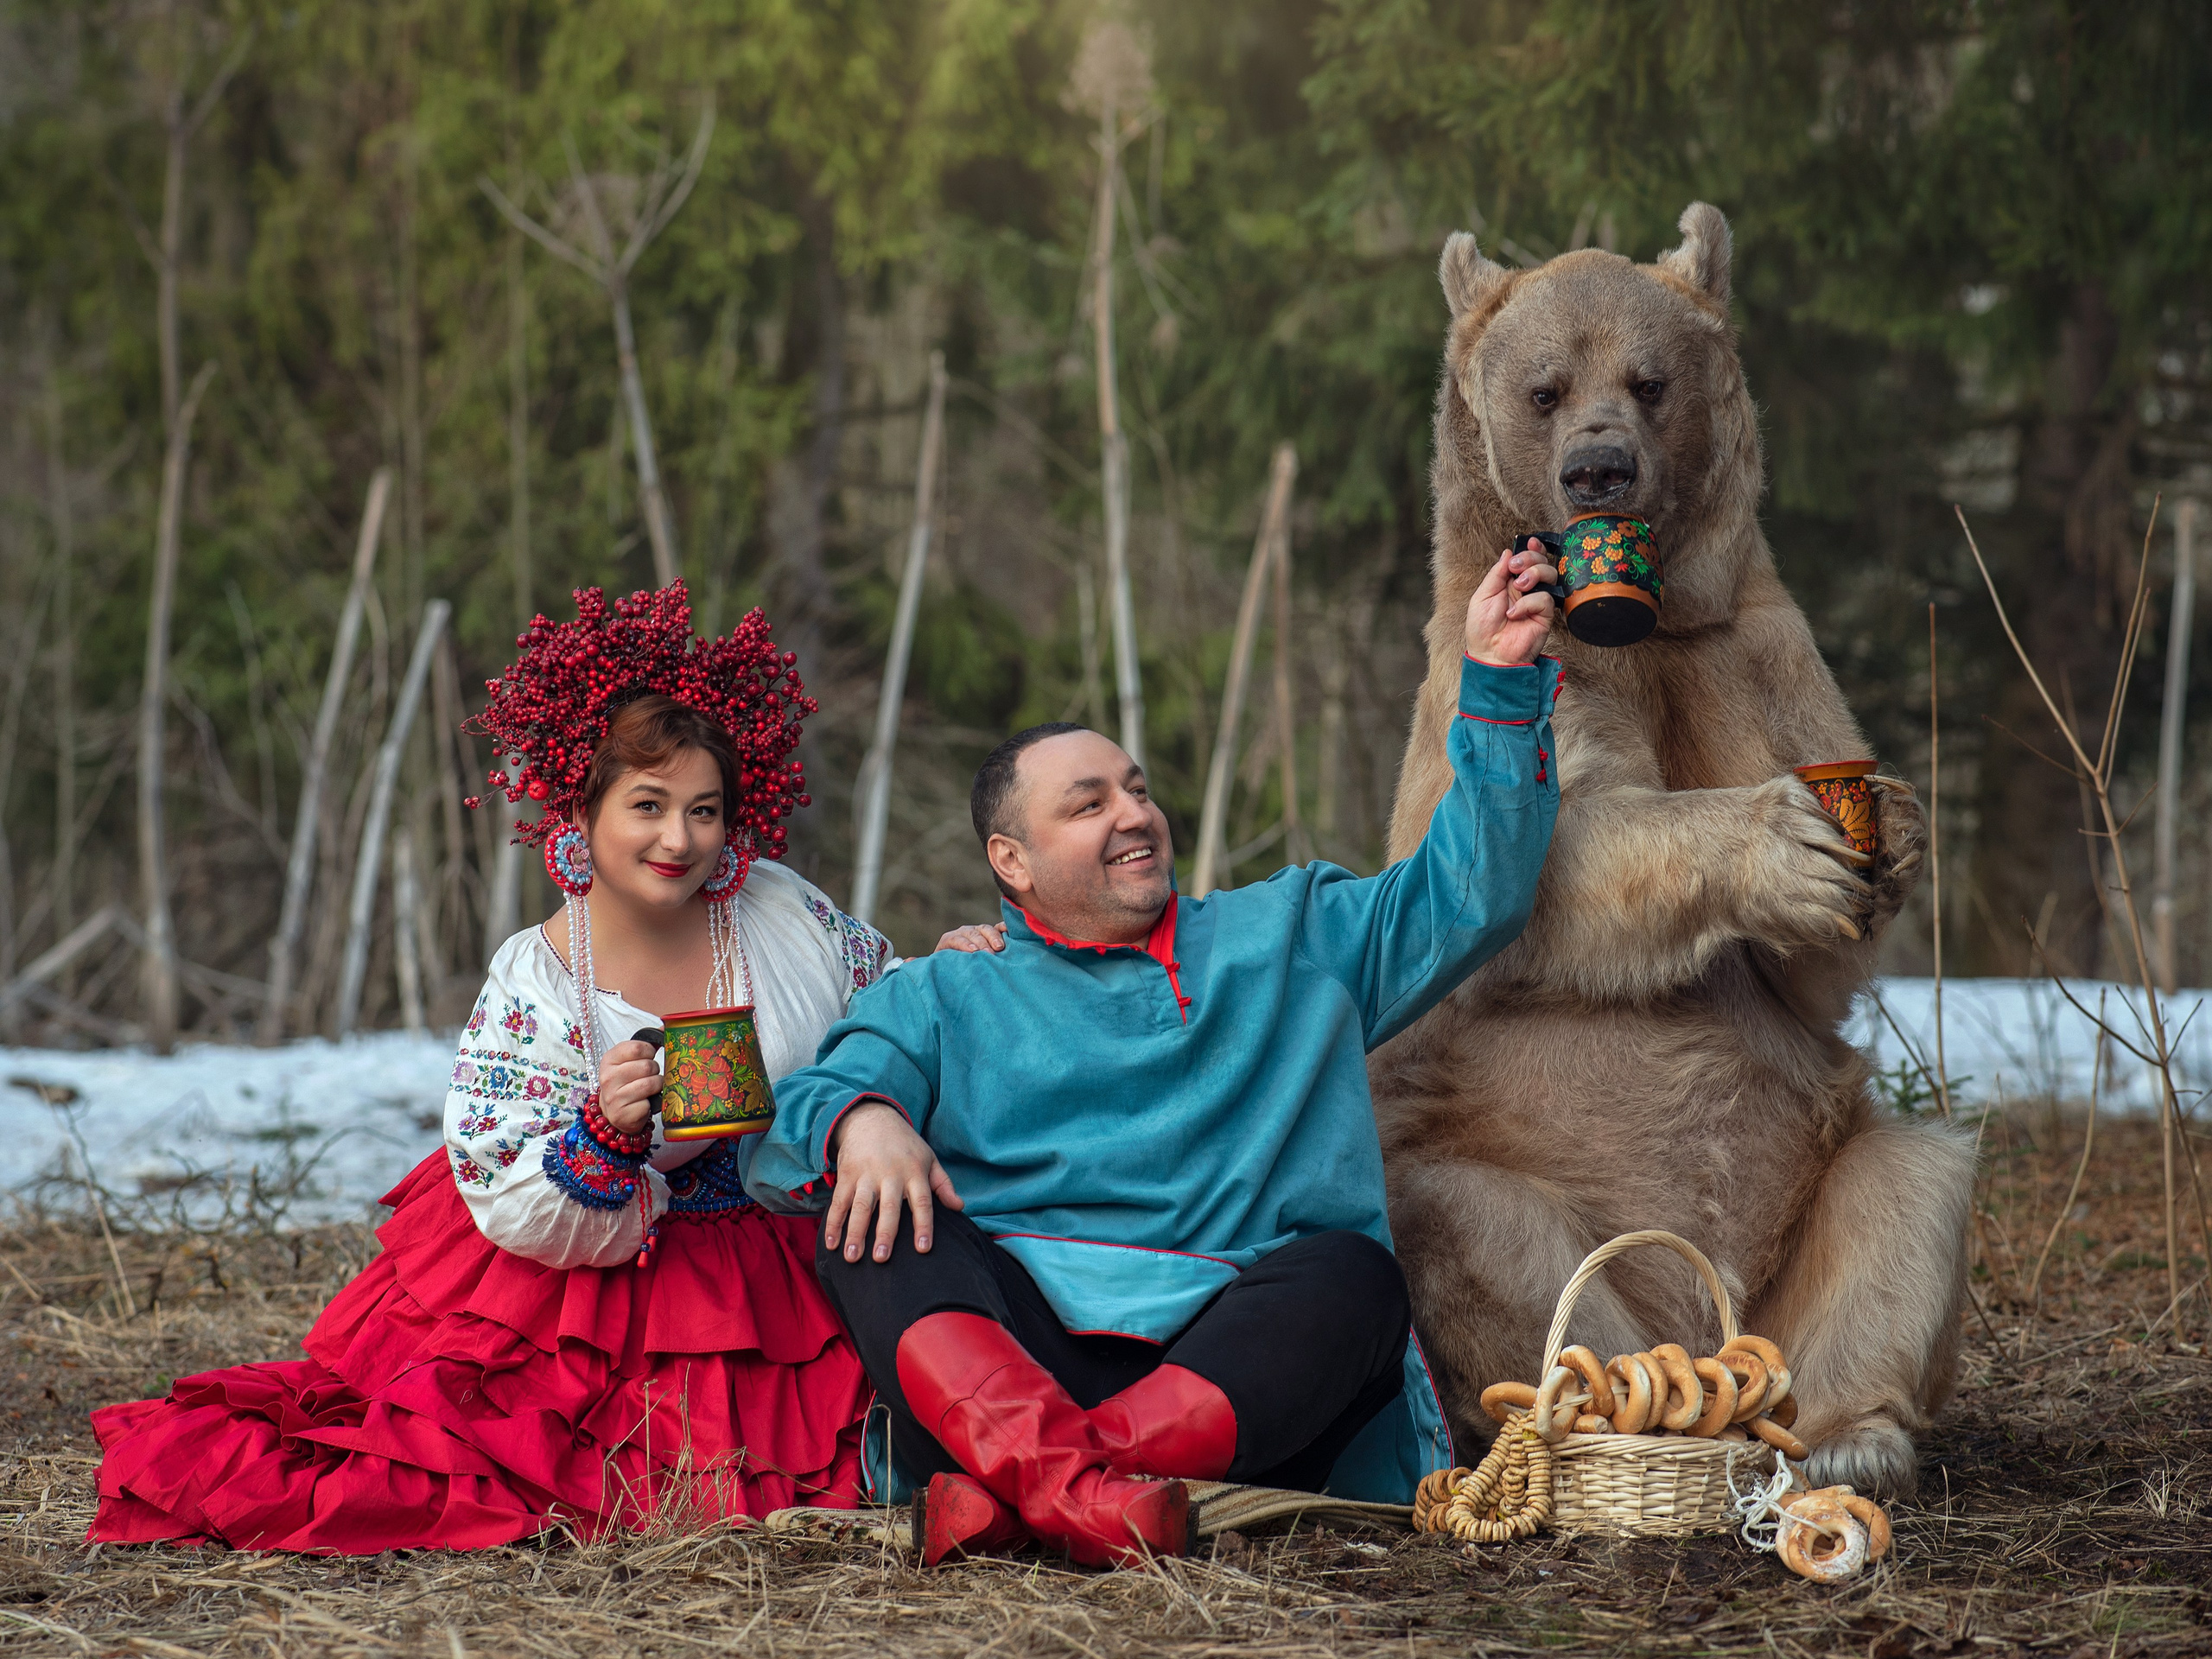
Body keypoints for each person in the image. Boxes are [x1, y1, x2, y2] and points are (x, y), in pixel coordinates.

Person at [88, 584, 989, 1552]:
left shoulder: (775, 908)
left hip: (775, 1247)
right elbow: (505, 1176)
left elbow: (875, 997)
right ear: (583, 809)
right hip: (598, 1275)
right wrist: (605, 1135)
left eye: (704, 810)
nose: (678, 840)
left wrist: (944, 970)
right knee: (498, 1468)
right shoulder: (539, 977)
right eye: (647, 806)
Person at [747, 543, 1565, 1567]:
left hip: (1236, 1366)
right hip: (1017, 1353)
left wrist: (1495, 679)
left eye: (1134, 790)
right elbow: (794, 1124)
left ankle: (1039, 1489)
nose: (1134, 815)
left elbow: (1474, 890)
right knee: (871, 1227)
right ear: (1011, 862)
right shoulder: (946, 989)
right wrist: (862, 1120)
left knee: (1353, 1277)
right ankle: (1096, 1493)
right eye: (1086, 805)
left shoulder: (1297, 933)